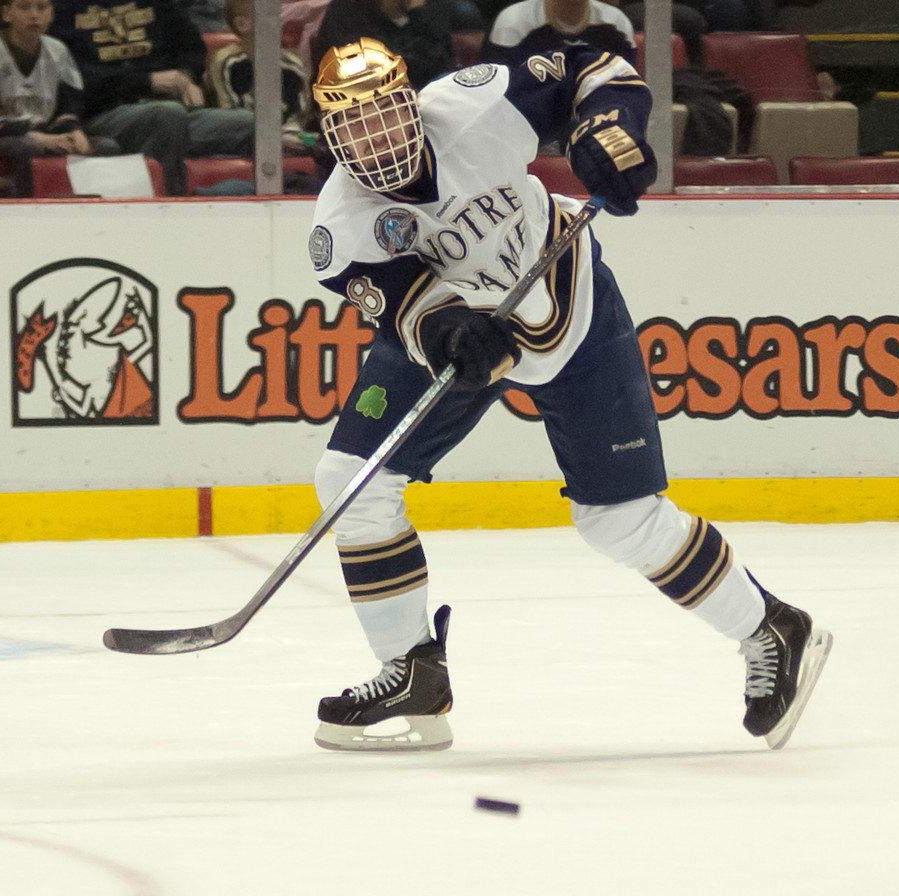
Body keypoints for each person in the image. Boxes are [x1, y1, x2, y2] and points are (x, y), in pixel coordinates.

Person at [305, 37, 833, 752]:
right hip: (469, 327)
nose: (376, 135)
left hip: (567, 297)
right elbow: (407, 309)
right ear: (329, 135)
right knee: (351, 480)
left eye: (387, 113)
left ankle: (771, 625)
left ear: (412, 102)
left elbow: (591, 68)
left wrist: (604, 128)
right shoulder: (340, 226)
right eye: (353, 124)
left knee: (618, 521)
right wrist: (450, 330)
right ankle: (412, 673)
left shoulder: (470, 105)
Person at [49, 0, 254, 196]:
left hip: (173, 113)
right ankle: (166, 203)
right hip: (104, 114)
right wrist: (146, 81)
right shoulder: (64, 9)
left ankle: (256, 204)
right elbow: (75, 78)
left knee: (248, 123)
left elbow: (190, 46)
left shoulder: (157, 3)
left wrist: (187, 75)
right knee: (166, 115)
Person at [0, 0, 120, 197]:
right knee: (25, 147)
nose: (34, 15)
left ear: (51, 14)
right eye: (24, 7)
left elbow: (69, 106)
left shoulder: (59, 51)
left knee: (107, 147)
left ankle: (96, 216)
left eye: (42, 8)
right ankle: (24, 213)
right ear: (7, 13)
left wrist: (74, 132)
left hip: (46, 136)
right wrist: (39, 138)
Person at [205, 0, 316, 154]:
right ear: (242, 24)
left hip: (289, 139)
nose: (280, 20)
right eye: (271, 16)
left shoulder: (292, 65)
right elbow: (230, 114)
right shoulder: (227, 61)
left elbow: (299, 115)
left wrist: (292, 134)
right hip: (242, 142)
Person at [313, 0, 455, 91]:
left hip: (427, 87)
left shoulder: (429, 7)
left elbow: (441, 61)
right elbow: (365, 65)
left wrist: (418, 14)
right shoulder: (347, 8)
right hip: (367, 94)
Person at [482, 0, 636, 71]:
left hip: (598, 124)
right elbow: (500, 98)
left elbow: (628, 93)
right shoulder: (512, 23)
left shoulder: (617, 24)